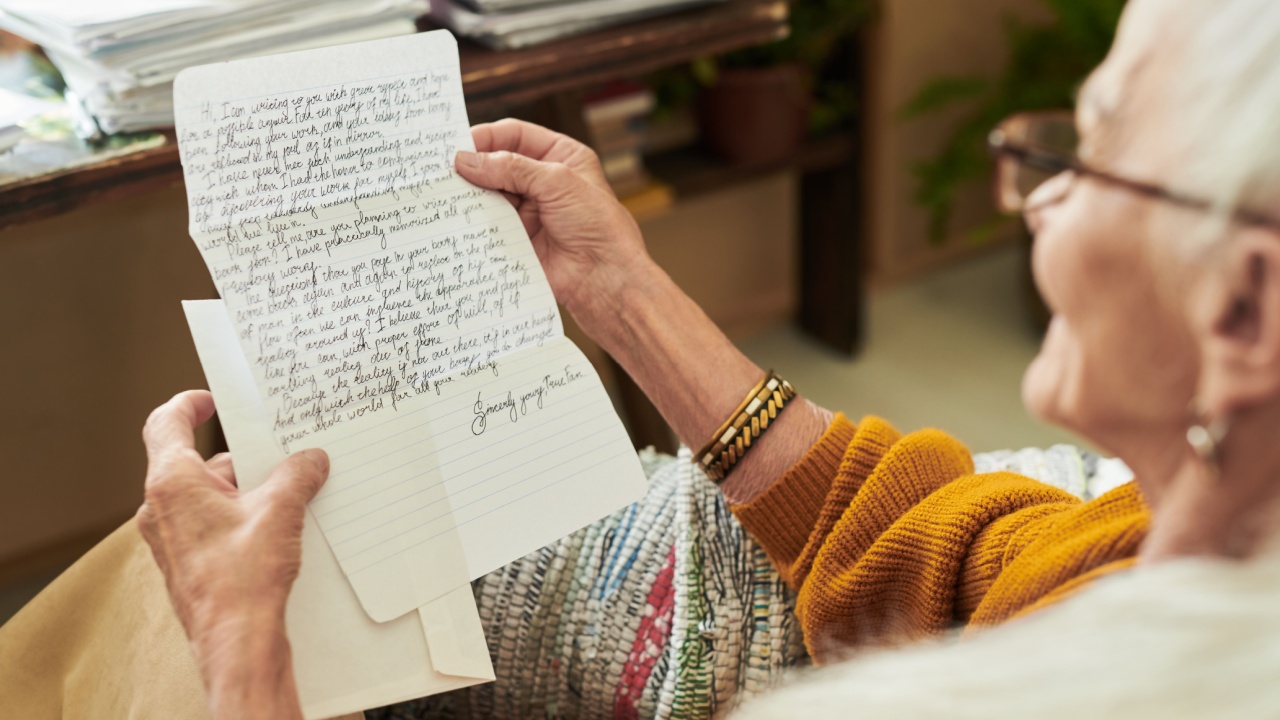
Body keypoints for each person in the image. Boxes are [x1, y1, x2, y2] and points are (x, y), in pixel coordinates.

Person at [12, 0, 1280, 716]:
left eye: (1080, 148)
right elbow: (957, 551)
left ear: (1242, 316)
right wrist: (624, 296)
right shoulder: (1174, 544)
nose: (1029, 197)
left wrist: (240, 645)